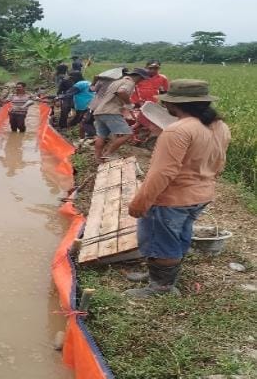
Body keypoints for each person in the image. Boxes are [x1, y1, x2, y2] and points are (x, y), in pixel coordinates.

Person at [125, 80, 231, 298]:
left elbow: (162, 172)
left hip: (171, 199)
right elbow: (219, 163)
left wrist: (141, 201)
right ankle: (160, 276)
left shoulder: (178, 130)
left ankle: (161, 287)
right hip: (201, 194)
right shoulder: (220, 126)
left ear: (173, 104)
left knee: (161, 241)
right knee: (179, 235)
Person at [92, 68, 149, 162]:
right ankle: (108, 154)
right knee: (127, 134)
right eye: (142, 79)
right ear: (139, 77)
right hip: (111, 111)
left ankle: (98, 158)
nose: (141, 81)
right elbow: (121, 92)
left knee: (101, 136)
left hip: (99, 111)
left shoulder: (116, 82)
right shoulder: (129, 82)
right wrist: (128, 103)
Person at [57, 71, 94, 138]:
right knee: (81, 118)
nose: (70, 80)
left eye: (71, 79)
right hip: (92, 103)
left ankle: (67, 129)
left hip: (84, 104)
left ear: (74, 78)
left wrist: (57, 98)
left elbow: (68, 94)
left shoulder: (79, 84)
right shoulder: (88, 82)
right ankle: (70, 128)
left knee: (81, 120)